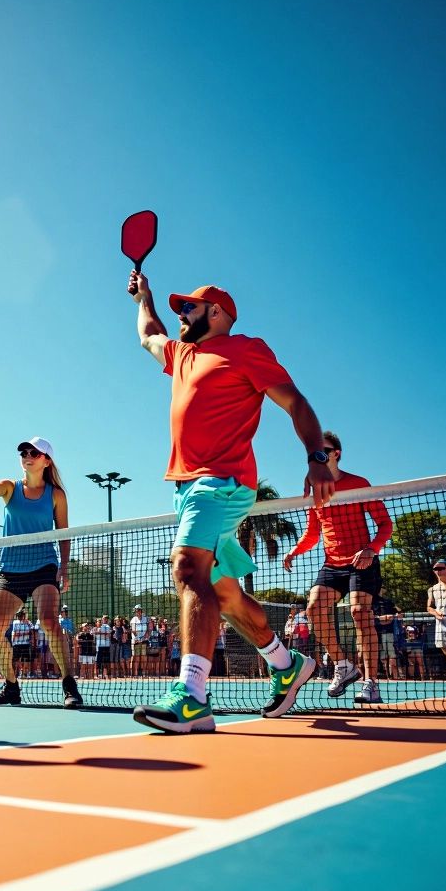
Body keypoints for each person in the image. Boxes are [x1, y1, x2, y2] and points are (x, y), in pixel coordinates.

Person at [127, 274, 333, 733]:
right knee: (222, 592)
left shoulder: (244, 350)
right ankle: (285, 663)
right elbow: (147, 334)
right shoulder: (181, 355)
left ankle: (192, 697)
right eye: (178, 310)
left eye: (189, 309)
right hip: (186, 488)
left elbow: (294, 401)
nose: (181, 316)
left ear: (215, 313)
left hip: (222, 483)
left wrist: (317, 456)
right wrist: (145, 299)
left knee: (186, 568)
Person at [0, 436, 84, 708]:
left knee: (50, 622)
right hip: (11, 569)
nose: (27, 455)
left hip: (44, 565)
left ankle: (68, 684)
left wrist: (64, 567)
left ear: (46, 461)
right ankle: (11, 685)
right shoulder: (9, 488)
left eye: (34, 452)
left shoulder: (56, 494)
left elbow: (64, 534)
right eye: (24, 452)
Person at [282, 431, 393, 705]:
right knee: (313, 608)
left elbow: (385, 525)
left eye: (324, 452)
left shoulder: (358, 484)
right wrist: (294, 551)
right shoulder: (314, 491)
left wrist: (371, 550)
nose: (317, 458)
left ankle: (371, 683)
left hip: (361, 561)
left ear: (337, 454)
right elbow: (312, 534)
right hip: (332, 564)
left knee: (359, 612)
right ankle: (344, 665)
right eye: (313, 454)